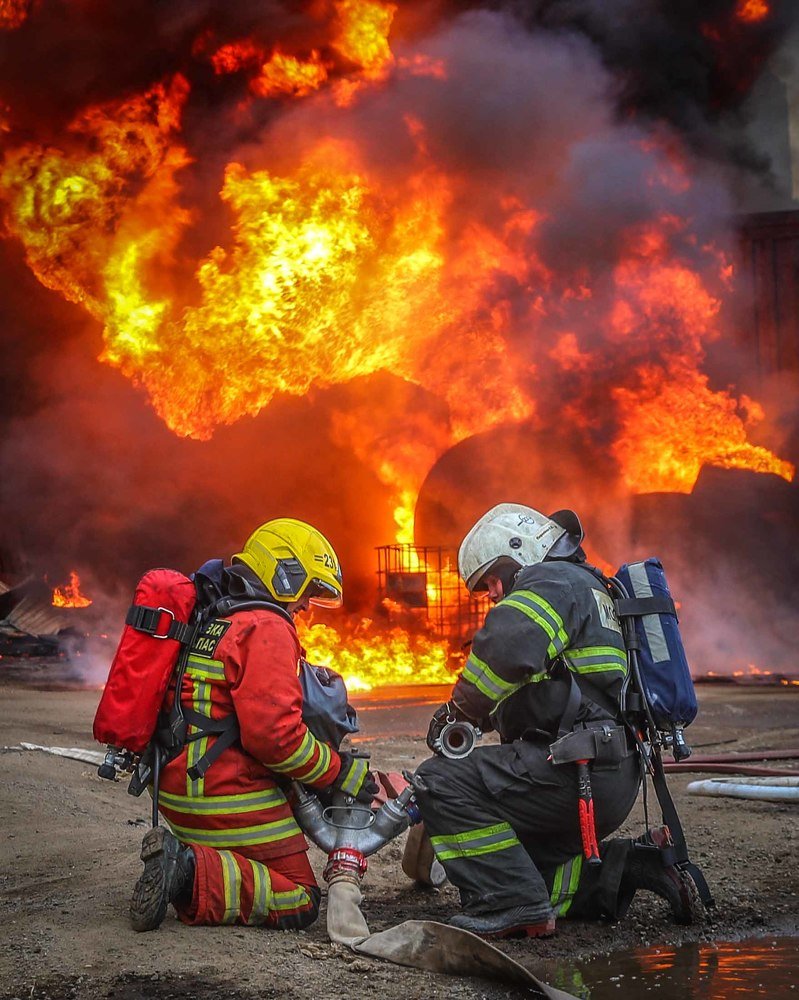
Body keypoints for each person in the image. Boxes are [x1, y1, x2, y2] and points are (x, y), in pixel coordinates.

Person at [412, 503, 698, 939]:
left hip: (576, 774)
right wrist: (481, 720)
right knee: (524, 867)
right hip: (607, 774)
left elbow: (507, 647)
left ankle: (509, 904)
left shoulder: (550, 580)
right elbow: (555, 687)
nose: (491, 594)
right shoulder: (593, 589)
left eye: (490, 581)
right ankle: (632, 867)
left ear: (517, 550)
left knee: (440, 781)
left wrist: (459, 710)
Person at [129, 518, 378, 932]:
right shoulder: (264, 626)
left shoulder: (214, 615)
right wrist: (339, 770)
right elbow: (276, 740)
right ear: (286, 574)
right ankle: (187, 872)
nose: (305, 607)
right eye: (307, 593)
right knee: (299, 895)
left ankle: (192, 856)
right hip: (221, 793)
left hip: (175, 784)